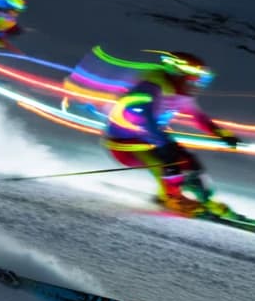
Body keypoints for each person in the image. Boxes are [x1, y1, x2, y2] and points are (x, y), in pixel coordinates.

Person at [100, 51, 241, 215]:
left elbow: (198, 117)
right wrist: (164, 143)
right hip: (124, 144)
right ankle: (172, 198)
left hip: (149, 139)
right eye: (193, 78)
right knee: (168, 163)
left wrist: (222, 134)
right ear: (179, 73)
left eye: (200, 79)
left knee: (189, 162)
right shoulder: (149, 88)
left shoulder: (180, 94)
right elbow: (144, 119)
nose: (195, 84)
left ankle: (205, 200)